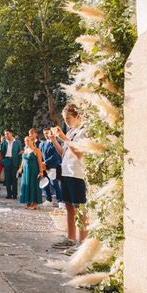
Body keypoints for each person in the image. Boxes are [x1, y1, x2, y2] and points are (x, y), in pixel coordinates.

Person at [50, 103, 87, 250]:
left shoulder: (84, 132)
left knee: (81, 208)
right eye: (64, 119)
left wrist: (64, 138)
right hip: (66, 172)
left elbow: (79, 153)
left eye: (69, 118)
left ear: (78, 116)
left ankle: (82, 242)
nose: (66, 122)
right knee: (69, 206)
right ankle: (70, 238)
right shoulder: (71, 132)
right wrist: (55, 140)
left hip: (77, 173)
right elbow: (63, 154)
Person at [18, 136, 45, 209]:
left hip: (34, 171)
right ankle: (29, 202)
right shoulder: (25, 149)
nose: (26, 142)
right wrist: (20, 168)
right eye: (25, 141)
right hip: (25, 171)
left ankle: (35, 203)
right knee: (26, 185)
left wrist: (41, 172)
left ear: (32, 141)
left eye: (28, 140)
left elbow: (40, 162)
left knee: (34, 185)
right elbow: (23, 160)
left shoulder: (37, 150)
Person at [40, 128, 63, 206]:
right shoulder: (43, 144)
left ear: (51, 133)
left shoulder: (56, 143)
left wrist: (45, 162)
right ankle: (48, 200)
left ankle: (60, 201)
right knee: (45, 184)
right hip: (43, 167)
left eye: (47, 133)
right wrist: (41, 164)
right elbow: (41, 155)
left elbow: (55, 156)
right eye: (44, 133)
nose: (46, 135)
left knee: (54, 184)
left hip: (52, 166)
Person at [0, 130, 22, 199]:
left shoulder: (17, 142)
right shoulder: (4, 142)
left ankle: (15, 194)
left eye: (7, 134)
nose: (6, 135)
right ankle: (9, 194)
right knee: (7, 179)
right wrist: (3, 161)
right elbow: (2, 152)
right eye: (5, 134)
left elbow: (19, 154)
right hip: (7, 160)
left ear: (11, 133)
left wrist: (19, 164)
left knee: (14, 178)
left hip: (14, 161)